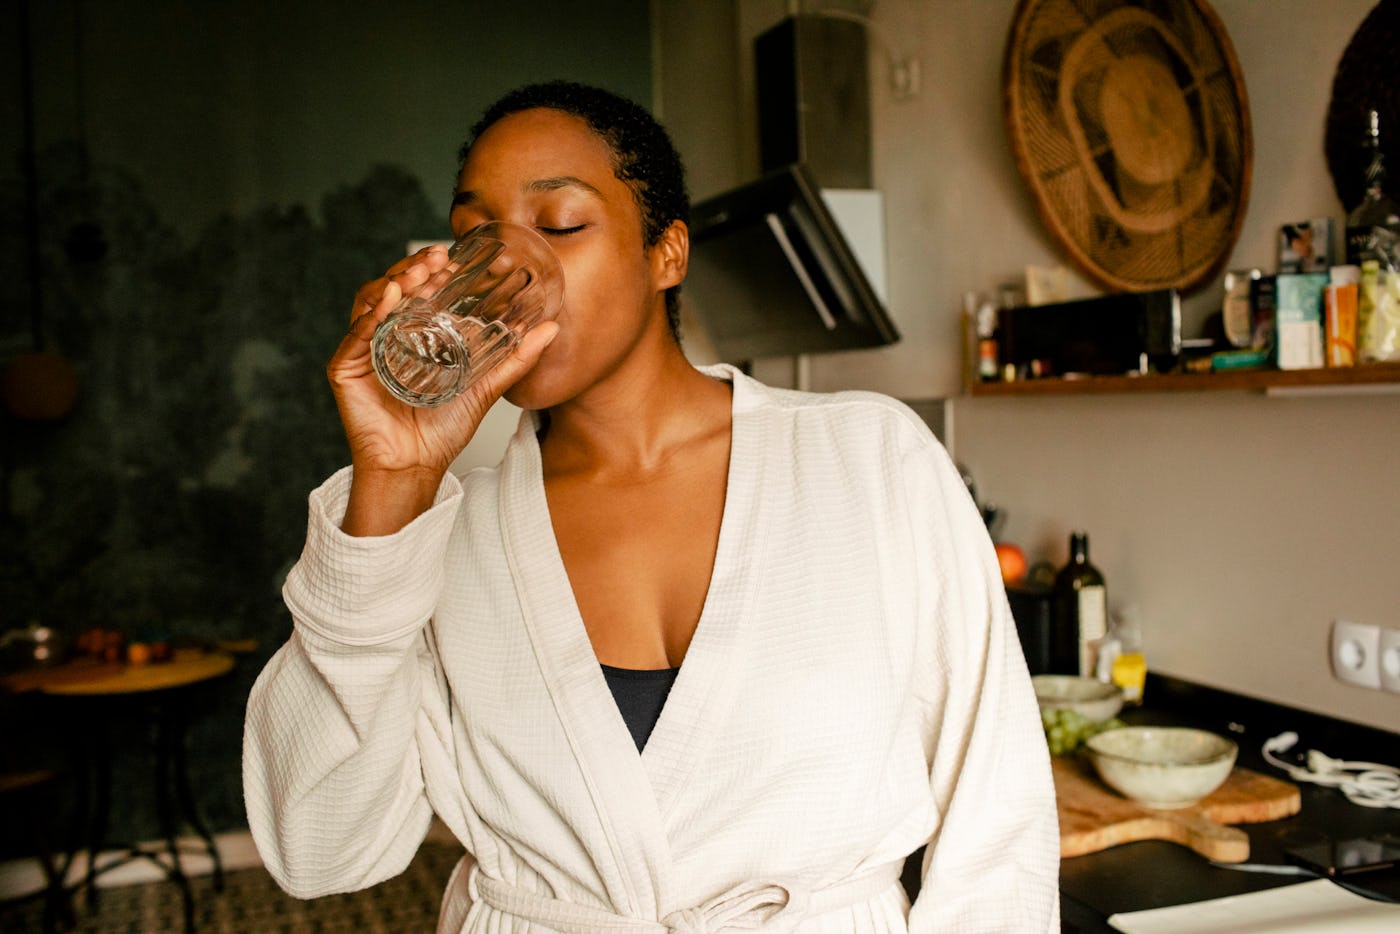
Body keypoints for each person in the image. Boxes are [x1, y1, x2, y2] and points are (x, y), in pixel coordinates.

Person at [243, 80, 1059, 932]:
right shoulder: (437, 535)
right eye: (474, 237)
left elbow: (999, 827)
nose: (511, 269)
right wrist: (393, 481)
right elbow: (318, 848)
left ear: (666, 254)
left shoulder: (869, 461)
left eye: (559, 224)